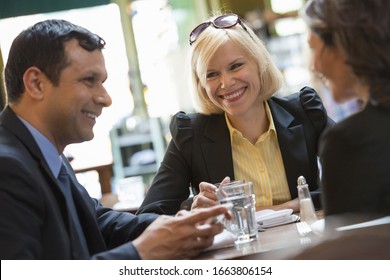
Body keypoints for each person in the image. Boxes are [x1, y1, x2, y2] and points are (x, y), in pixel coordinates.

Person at [0, 19, 230, 260]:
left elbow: (97, 223)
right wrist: (140, 254)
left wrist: (179, 226)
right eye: (89, 80)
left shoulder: (45, 152)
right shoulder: (7, 168)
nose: (105, 98)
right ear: (36, 84)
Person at [137, 13, 334, 216]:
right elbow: (148, 216)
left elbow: (359, 171)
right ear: (201, 84)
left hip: (310, 246)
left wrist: (289, 206)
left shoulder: (305, 112)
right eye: (212, 74)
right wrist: (190, 214)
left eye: (236, 66)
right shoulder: (190, 135)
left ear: (259, 63)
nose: (226, 83)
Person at [304, 0, 390, 219]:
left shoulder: (348, 142)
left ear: (343, 47)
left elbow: (350, 249)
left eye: (314, 48)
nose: (313, 65)